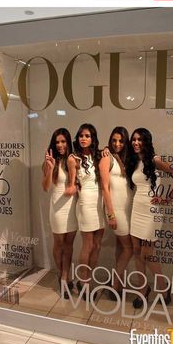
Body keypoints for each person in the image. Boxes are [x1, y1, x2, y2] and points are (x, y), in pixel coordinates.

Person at [128, 128, 173, 308]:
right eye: (134, 139)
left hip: (152, 211)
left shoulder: (155, 160)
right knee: (136, 252)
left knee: (148, 255)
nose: (136, 143)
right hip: (137, 208)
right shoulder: (135, 161)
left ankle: (162, 286)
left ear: (147, 142)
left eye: (140, 140)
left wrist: (167, 198)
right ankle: (143, 290)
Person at [65, 123, 104, 299]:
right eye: (81, 135)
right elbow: (72, 183)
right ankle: (83, 281)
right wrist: (72, 188)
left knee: (97, 245)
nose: (83, 139)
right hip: (86, 202)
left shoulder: (99, 155)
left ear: (93, 138)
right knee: (87, 244)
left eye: (87, 136)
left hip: (100, 202)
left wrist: (108, 151)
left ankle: (90, 278)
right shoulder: (73, 158)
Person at [42, 128, 78, 299]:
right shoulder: (50, 161)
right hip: (57, 206)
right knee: (59, 243)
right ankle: (61, 274)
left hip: (72, 206)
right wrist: (50, 168)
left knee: (69, 244)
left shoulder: (73, 159)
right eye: (57, 142)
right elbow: (45, 187)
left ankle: (66, 276)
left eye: (63, 141)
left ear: (68, 142)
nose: (60, 145)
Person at [99, 127, 133, 299]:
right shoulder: (107, 158)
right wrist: (111, 213)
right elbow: (105, 188)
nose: (117, 144)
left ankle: (118, 285)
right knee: (130, 248)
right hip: (116, 210)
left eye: (120, 140)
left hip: (127, 209)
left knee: (121, 247)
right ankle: (114, 284)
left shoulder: (127, 158)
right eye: (114, 140)